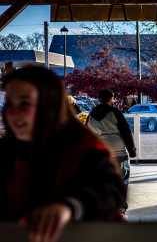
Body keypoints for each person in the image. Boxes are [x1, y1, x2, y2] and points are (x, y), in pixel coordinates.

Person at [0, 66, 125, 242]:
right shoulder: (6, 151)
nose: (13, 113)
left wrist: (70, 207)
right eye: (9, 104)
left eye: (25, 103)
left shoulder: (84, 148)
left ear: (48, 105)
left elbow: (111, 192)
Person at [86, 89, 136, 215]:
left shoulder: (92, 113)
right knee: (122, 177)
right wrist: (132, 150)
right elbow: (126, 131)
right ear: (110, 98)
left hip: (101, 150)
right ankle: (121, 206)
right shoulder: (115, 112)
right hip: (118, 149)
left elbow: (87, 133)